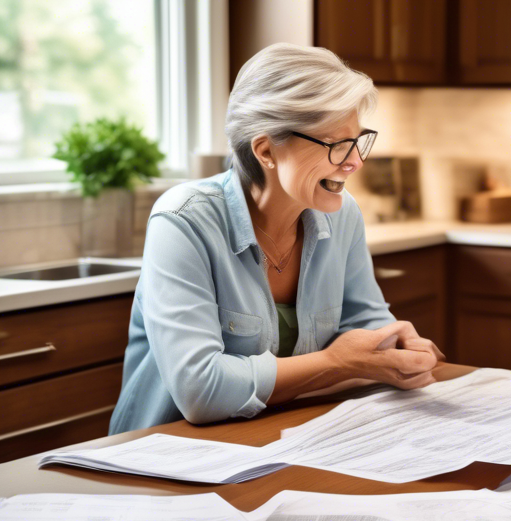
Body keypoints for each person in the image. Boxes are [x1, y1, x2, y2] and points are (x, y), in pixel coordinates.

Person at [109, 43, 443, 434]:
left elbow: (367, 326)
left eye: (358, 141)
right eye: (336, 145)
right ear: (266, 150)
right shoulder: (183, 221)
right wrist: (338, 362)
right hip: (163, 456)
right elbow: (200, 390)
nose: (355, 162)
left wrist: (398, 351)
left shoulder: (343, 213)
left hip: (286, 439)